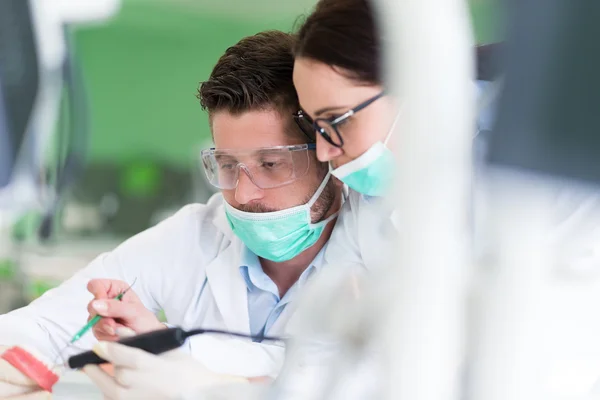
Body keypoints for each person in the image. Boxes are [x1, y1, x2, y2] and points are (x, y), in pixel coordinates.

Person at [0, 30, 342, 398]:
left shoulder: (382, 251)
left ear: (327, 150)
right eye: (226, 165)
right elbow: (45, 327)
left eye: (271, 164)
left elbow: (358, 376)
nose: (243, 193)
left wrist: (199, 370)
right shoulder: (195, 235)